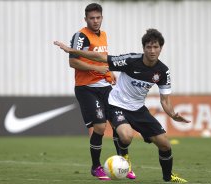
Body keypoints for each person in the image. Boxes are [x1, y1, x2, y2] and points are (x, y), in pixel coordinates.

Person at [54, 28, 191, 183]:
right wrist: (71, 50)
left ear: (161, 48)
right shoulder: (130, 60)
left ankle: (168, 177)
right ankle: (124, 156)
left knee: (165, 144)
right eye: (149, 47)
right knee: (126, 136)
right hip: (116, 105)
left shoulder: (163, 71)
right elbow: (101, 57)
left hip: (138, 109)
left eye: (156, 47)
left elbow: (165, 101)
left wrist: (173, 114)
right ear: (143, 48)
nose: (152, 51)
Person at [68, 3, 136, 180]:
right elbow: (73, 62)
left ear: (102, 18)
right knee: (99, 126)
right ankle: (96, 167)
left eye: (98, 17)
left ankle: (124, 163)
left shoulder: (103, 35)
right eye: (92, 18)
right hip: (86, 89)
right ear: (86, 19)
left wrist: (108, 71)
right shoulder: (81, 36)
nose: (95, 21)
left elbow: (101, 59)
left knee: (118, 124)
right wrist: (95, 68)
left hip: (105, 87)